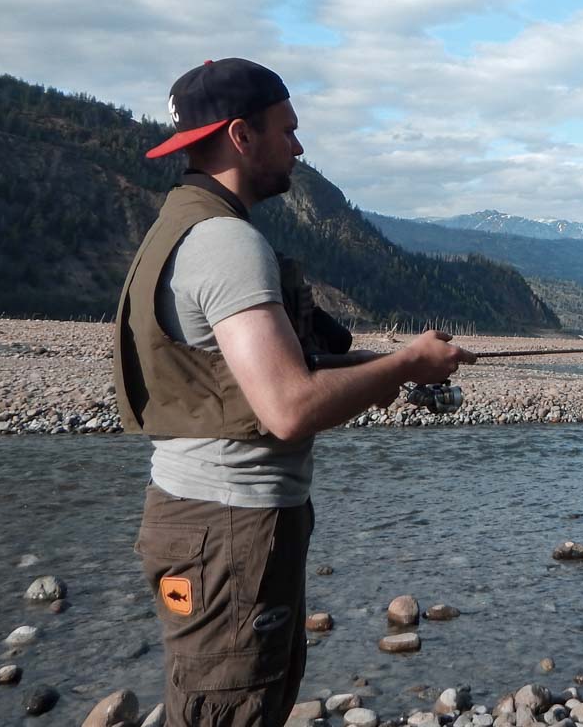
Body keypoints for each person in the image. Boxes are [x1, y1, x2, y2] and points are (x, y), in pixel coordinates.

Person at [113, 57, 474, 726]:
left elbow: (272, 372)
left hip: (201, 522)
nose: (300, 147)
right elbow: (289, 407)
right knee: (232, 707)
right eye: (289, 129)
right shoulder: (225, 244)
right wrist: (402, 367)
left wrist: (406, 361)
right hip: (228, 530)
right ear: (241, 136)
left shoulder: (180, 227)